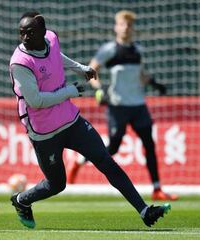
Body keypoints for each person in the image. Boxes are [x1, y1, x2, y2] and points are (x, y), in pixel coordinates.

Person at [9, 11, 171, 229]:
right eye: (21, 33)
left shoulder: (51, 39)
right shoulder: (20, 63)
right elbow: (36, 100)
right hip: (44, 131)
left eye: (30, 32)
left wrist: (80, 68)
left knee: (106, 161)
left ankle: (144, 211)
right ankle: (21, 200)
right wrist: (69, 91)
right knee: (57, 185)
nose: (25, 37)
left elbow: (56, 56)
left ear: (43, 32)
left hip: (71, 121)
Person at [67, 10, 178, 201]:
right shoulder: (109, 50)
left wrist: (154, 83)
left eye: (129, 24)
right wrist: (99, 89)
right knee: (114, 146)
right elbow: (91, 71)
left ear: (133, 28)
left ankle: (157, 189)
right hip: (118, 106)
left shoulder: (138, 51)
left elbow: (141, 75)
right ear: (116, 27)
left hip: (138, 105)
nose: (126, 27)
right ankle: (79, 161)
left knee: (149, 145)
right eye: (122, 24)